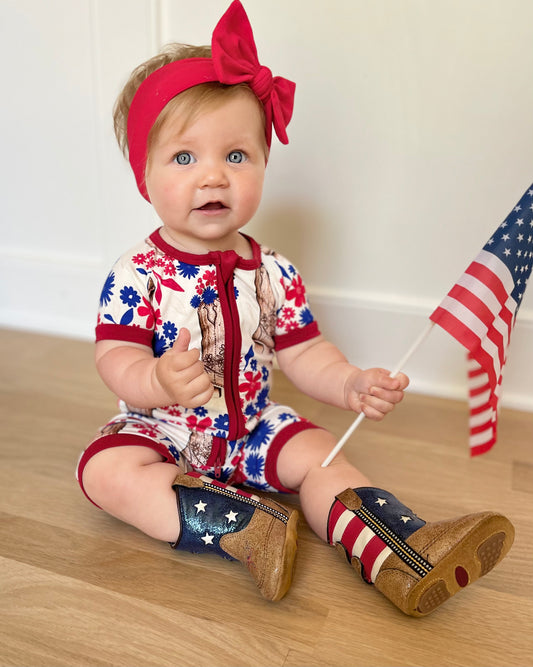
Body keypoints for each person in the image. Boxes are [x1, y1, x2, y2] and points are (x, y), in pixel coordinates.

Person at [77, 0, 514, 616]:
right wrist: (152, 379)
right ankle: (243, 530)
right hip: (167, 432)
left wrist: (351, 382)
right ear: (144, 176)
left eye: (236, 156)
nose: (213, 178)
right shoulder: (138, 273)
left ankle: (401, 549)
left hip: (255, 428)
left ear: (262, 163)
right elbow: (114, 352)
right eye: (184, 157)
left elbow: (305, 350)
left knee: (323, 458)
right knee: (106, 471)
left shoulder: (273, 270)